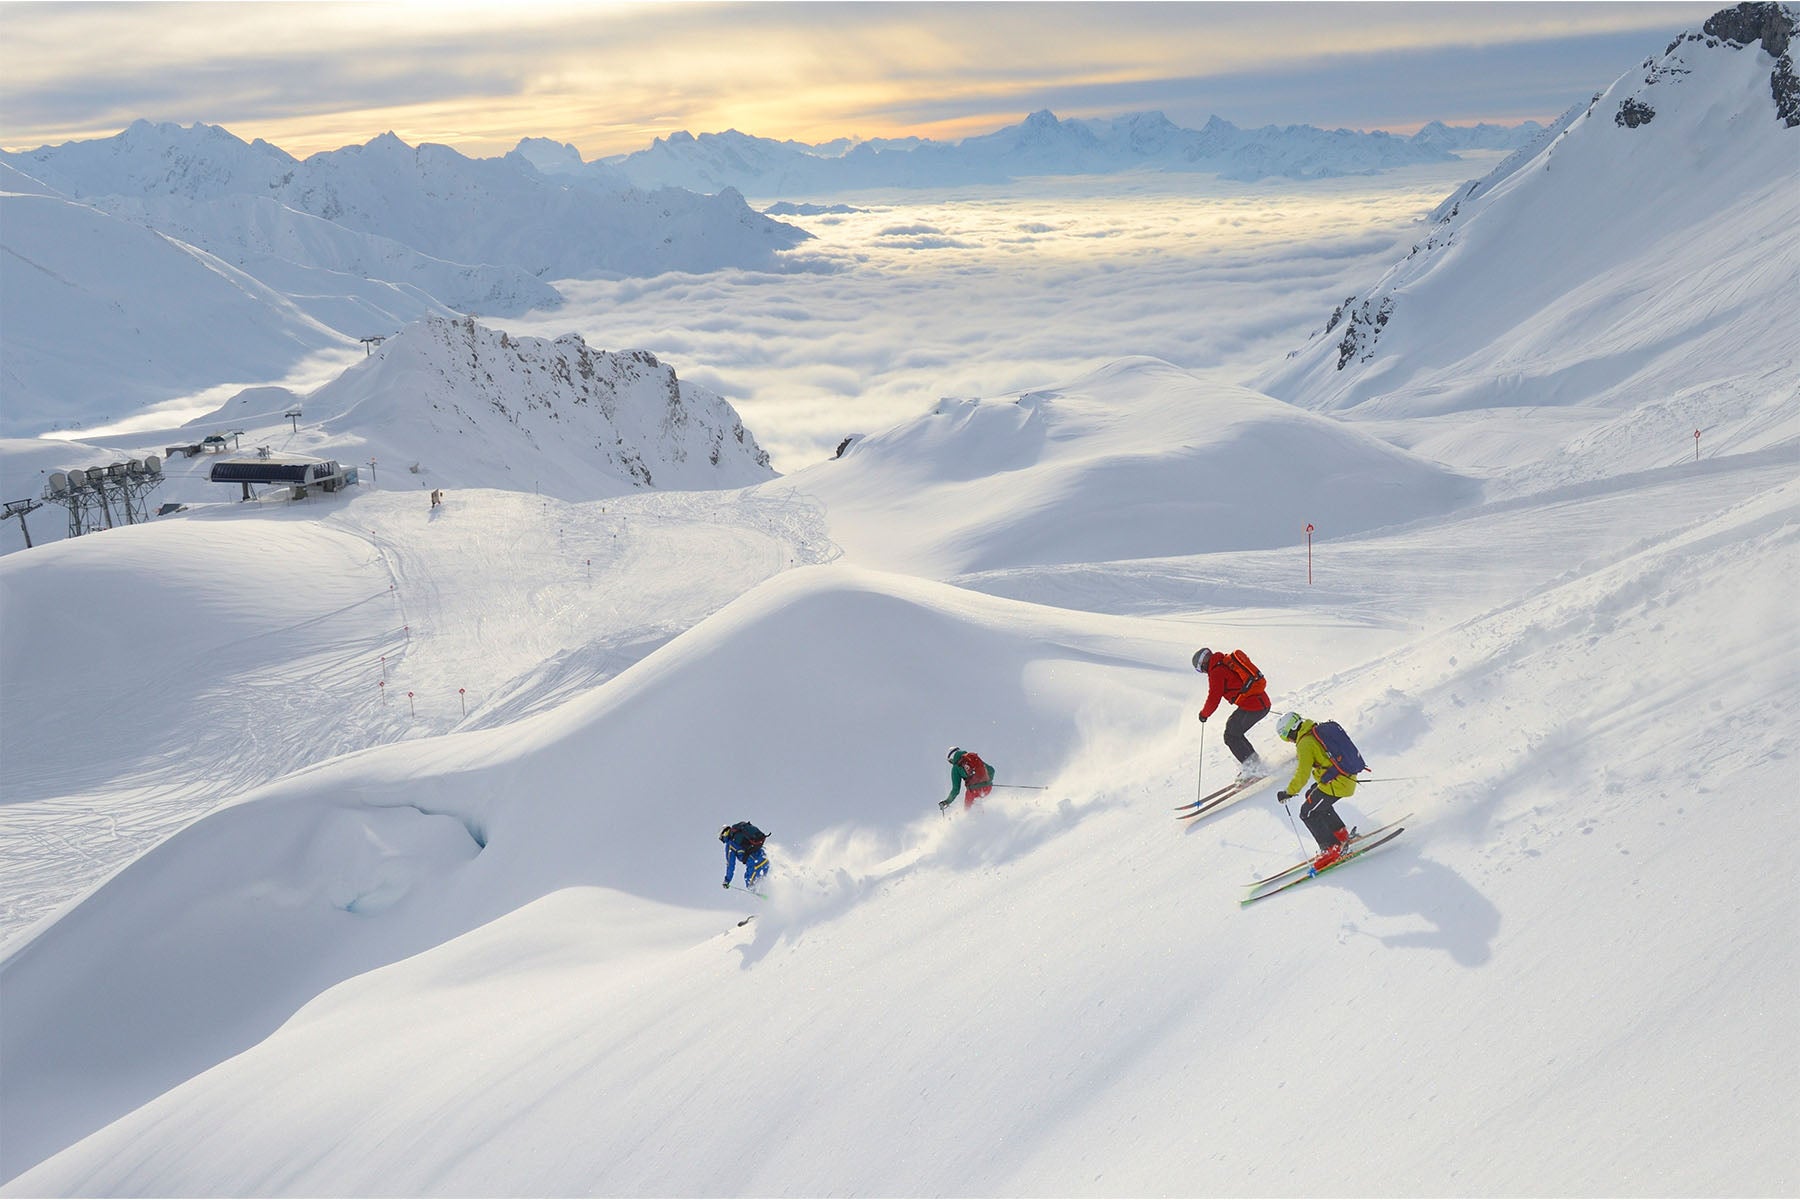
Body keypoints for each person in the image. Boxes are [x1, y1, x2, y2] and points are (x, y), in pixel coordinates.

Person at [1273, 711, 1358, 870]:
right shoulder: (1314, 730)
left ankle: (1331, 848)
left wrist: (1289, 792)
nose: (1289, 741)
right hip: (1344, 777)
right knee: (1311, 796)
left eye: (1285, 737)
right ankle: (1340, 834)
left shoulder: (1305, 743)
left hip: (1337, 783)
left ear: (1290, 731)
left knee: (1307, 812)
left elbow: (1303, 773)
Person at [1194, 647, 1271, 781]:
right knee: (1233, 730)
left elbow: (1214, 698)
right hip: (1260, 703)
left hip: (1254, 706)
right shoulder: (1224, 661)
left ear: (1203, 665)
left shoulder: (1216, 672)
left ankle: (1253, 768)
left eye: (1199, 670)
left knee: (1231, 735)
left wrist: (1204, 714)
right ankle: (1254, 765)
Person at [940, 746, 995, 811]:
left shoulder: (955, 768)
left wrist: (947, 801)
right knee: (977, 802)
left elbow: (956, 790)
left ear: (951, 759)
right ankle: (984, 815)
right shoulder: (971, 757)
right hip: (987, 788)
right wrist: (987, 782)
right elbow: (991, 770)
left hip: (973, 791)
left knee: (968, 811)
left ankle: (976, 818)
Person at [720, 821, 770, 890]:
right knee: (764, 882)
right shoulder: (740, 832)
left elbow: (730, 865)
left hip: (755, 864)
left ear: (724, 835)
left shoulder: (730, 844)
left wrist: (727, 880)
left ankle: (762, 895)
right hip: (765, 858)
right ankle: (770, 894)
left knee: (750, 884)